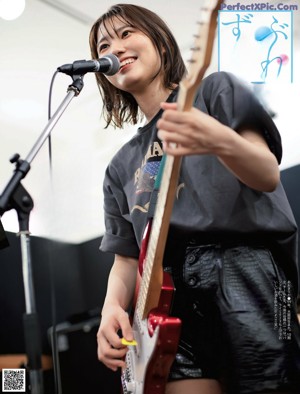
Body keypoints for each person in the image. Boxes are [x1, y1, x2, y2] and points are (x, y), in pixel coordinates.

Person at [89, 3, 300, 394]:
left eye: (126, 34)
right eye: (103, 44)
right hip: (165, 300)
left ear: (161, 43)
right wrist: (110, 307)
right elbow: (125, 256)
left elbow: (268, 174)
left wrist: (217, 138)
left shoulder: (216, 90)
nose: (115, 48)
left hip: (244, 268)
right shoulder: (120, 167)